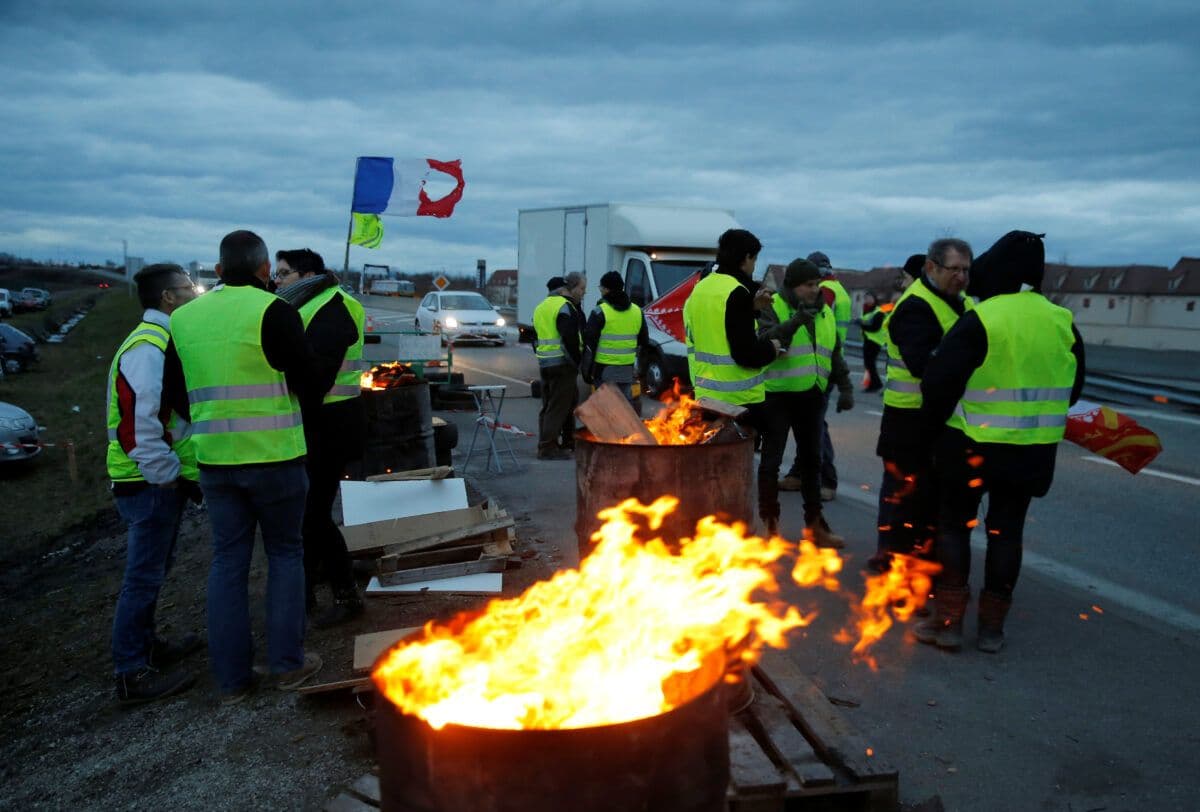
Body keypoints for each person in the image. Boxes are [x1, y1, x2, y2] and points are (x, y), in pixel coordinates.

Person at [164, 229, 324, 702]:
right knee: (285, 555)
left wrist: (209, 421)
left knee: (227, 562)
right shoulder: (275, 311)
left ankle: (232, 680)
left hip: (215, 462)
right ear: (262, 271)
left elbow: (175, 391)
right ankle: (287, 664)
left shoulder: (185, 318)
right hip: (275, 458)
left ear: (218, 270)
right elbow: (309, 381)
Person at [915, 231, 1085, 652]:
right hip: (1033, 450)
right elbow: (1075, 387)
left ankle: (950, 624)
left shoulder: (984, 318)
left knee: (955, 526)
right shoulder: (1060, 320)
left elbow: (937, 382)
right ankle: (992, 630)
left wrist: (934, 430)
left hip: (972, 446)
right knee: (1007, 532)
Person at [107, 263, 203, 705]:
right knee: (142, 577)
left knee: (154, 571)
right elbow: (137, 427)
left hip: (155, 479)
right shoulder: (148, 348)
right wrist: (166, 475)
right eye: (188, 287)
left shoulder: (160, 340)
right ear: (168, 297)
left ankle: (147, 646)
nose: (194, 292)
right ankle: (130, 671)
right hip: (146, 481)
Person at [865, 245, 975, 576]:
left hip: (940, 419)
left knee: (928, 498)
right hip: (908, 420)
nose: (961, 277)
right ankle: (892, 568)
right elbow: (923, 365)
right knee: (902, 498)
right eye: (954, 269)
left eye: (966, 270)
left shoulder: (963, 303)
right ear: (931, 267)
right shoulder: (915, 307)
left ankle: (919, 566)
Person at [273, 248, 368, 628]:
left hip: (330, 425)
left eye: (283, 274)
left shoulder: (331, 308)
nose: (276, 281)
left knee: (312, 513)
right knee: (309, 513)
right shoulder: (308, 303)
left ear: (307, 274)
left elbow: (317, 380)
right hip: (321, 423)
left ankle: (345, 594)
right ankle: (309, 587)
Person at [683, 229, 788, 535]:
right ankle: (744, 530)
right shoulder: (737, 294)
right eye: (754, 259)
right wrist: (772, 349)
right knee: (737, 471)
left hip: (705, 394)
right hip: (739, 401)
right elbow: (745, 353)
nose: (755, 265)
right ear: (746, 258)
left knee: (709, 470)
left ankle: (703, 528)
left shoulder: (701, 290)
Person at [758, 258, 853, 546]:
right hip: (778, 395)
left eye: (816, 284)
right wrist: (794, 323)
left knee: (812, 462)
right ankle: (770, 525)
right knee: (771, 462)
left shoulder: (825, 312)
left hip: (811, 395)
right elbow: (763, 342)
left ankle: (816, 527)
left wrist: (846, 387)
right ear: (792, 286)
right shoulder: (774, 306)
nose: (814, 290)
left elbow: (833, 352)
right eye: (807, 285)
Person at [780, 251, 847, 501]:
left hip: (818, 366)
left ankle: (826, 480)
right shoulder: (838, 288)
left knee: (815, 427)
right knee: (805, 426)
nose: (813, 288)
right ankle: (799, 473)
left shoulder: (824, 292)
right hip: (822, 362)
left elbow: (816, 323)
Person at [581, 270, 650, 414]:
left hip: (604, 369)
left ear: (606, 289)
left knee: (604, 411)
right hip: (627, 369)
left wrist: (586, 371)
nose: (600, 291)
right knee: (624, 410)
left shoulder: (599, 312)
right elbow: (644, 341)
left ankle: (605, 436)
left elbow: (589, 345)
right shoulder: (637, 311)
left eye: (601, 288)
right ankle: (624, 435)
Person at [533, 273, 584, 460]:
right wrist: (577, 363)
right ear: (562, 290)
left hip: (545, 363)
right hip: (562, 364)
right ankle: (547, 448)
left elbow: (535, 337)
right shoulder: (564, 306)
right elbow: (569, 338)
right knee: (558, 407)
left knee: (549, 405)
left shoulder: (540, 308)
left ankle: (562, 442)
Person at [856, 292, 890, 392]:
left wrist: (861, 324)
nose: (867, 300)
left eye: (869, 298)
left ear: (874, 299)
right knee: (869, 364)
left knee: (870, 364)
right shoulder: (867, 311)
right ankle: (874, 383)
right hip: (868, 340)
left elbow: (874, 328)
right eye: (866, 298)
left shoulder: (878, 312)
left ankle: (875, 384)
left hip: (875, 341)